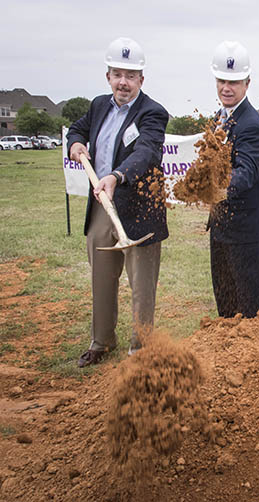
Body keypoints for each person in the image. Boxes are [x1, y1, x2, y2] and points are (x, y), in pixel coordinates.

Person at [67, 37, 169, 367]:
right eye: (117, 74)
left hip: (138, 210)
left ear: (141, 79)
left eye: (130, 75)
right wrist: (76, 142)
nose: (123, 82)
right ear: (108, 76)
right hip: (102, 209)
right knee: (101, 276)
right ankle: (101, 342)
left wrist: (117, 176)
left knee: (141, 285)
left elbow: (146, 152)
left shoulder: (152, 113)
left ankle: (140, 347)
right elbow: (78, 129)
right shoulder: (98, 105)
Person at [207, 40, 259, 319]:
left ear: (247, 83)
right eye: (222, 80)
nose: (226, 87)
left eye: (234, 81)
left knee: (247, 310)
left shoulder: (251, 125)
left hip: (246, 231)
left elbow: (245, 175)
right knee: (225, 303)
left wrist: (207, 187)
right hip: (221, 226)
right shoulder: (216, 120)